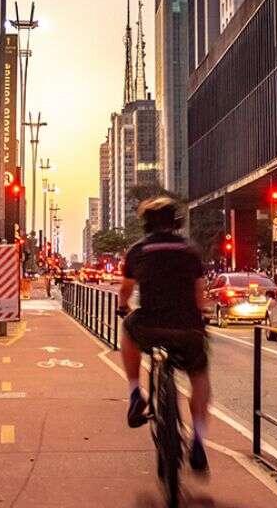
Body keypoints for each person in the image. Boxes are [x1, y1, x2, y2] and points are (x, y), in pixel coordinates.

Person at [118, 196, 211, 474]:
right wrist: (202, 316)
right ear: (177, 223)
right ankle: (198, 440)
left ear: (146, 224)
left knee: (128, 329)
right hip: (187, 328)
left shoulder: (138, 251)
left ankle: (135, 391)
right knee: (199, 377)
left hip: (149, 324)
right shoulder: (190, 251)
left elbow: (125, 292)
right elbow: (199, 296)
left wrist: (124, 307)